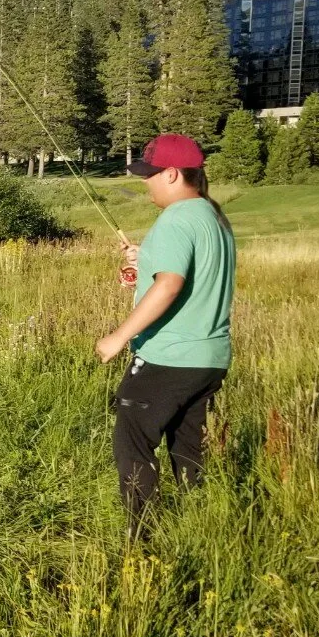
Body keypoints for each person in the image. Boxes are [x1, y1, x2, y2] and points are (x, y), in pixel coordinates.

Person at [95, 133, 236, 535]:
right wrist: (147, 259)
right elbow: (187, 276)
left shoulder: (175, 219)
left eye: (150, 174)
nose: (146, 183)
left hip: (168, 357)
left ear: (172, 174)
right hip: (209, 360)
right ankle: (198, 526)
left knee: (132, 441)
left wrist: (118, 337)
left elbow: (171, 285)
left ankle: (142, 538)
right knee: (188, 447)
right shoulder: (212, 217)